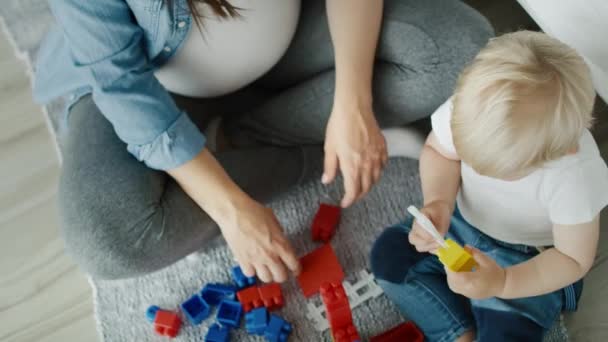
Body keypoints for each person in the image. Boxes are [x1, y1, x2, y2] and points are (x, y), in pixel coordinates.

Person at [34, 0, 492, 281]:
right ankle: (262, 151)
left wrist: (353, 100)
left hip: (289, 41)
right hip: (161, 86)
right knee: (108, 239)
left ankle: (240, 140)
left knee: (458, 47)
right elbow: (123, 88)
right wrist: (229, 208)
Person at [370, 31, 608, 342]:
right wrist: (439, 202)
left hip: (527, 258)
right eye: (468, 158)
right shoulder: (471, 111)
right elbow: (439, 151)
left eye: (500, 172)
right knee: (389, 257)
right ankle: (457, 333)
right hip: (462, 222)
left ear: (564, 150)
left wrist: (504, 282)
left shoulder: (575, 176)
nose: (475, 170)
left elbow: (572, 259)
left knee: (508, 333)